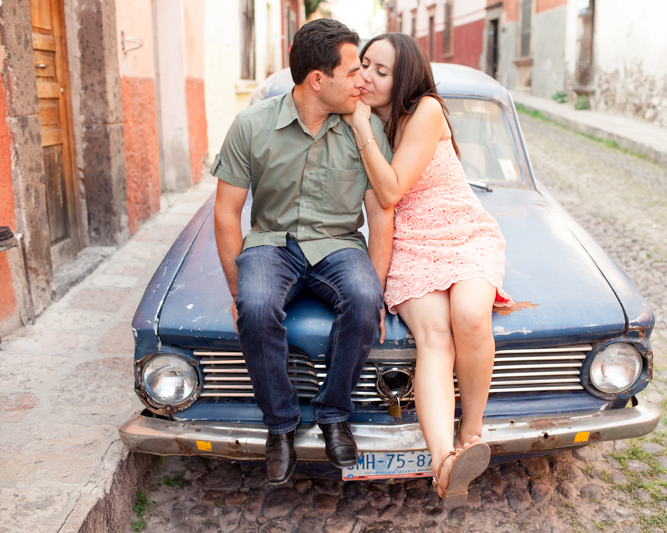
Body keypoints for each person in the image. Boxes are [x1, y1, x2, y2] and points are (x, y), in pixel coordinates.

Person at [211, 19, 394, 485]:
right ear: (319, 79)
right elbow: (227, 212)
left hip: (339, 245)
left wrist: (375, 289)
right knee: (253, 306)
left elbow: (380, 213)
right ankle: (281, 425)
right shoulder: (252, 125)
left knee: (362, 299)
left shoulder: (365, 127)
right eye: (353, 71)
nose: (363, 81)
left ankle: (334, 415)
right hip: (272, 243)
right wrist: (236, 290)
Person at [345, 33, 513, 508]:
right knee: (434, 337)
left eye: (383, 70)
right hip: (410, 245)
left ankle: (472, 433)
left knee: (471, 317)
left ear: (406, 79)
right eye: (365, 65)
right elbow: (382, 208)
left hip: (463, 231)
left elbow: (392, 188)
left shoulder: (426, 110)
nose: (370, 77)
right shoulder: (363, 118)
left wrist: (359, 125)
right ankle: (445, 463)